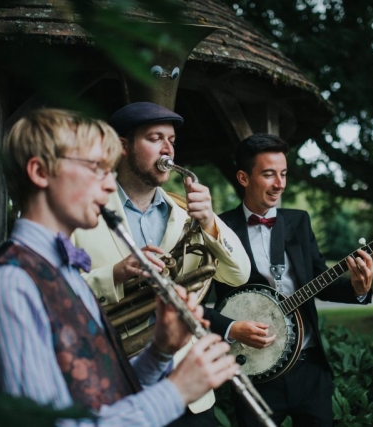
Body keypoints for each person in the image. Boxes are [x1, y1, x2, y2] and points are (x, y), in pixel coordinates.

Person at [0, 108, 239, 427]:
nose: (108, 186)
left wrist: (160, 350)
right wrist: (175, 391)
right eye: (96, 169)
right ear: (40, 172)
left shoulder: (62, 272)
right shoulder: (8, 285)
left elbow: (95, 397)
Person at [70, 102, 252, 426]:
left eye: (171, 140)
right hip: (117, 389)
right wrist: (114, 274)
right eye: (155, 138)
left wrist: (210, 221)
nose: (168, 148)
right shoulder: (82, 213)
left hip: (191, 396)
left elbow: (239, 274)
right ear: (122, 146)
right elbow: (54, 294)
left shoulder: (186, 213)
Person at [213, 133, 373, 426]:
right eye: (269, 174)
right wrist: (231, 328)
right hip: (254, 372)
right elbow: (198, 304)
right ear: (243, 177)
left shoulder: (298, 221)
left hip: (309, 369)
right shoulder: (219, 228)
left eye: (284, 174)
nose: (280, 184)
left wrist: (358, 289)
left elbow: (319, 281)